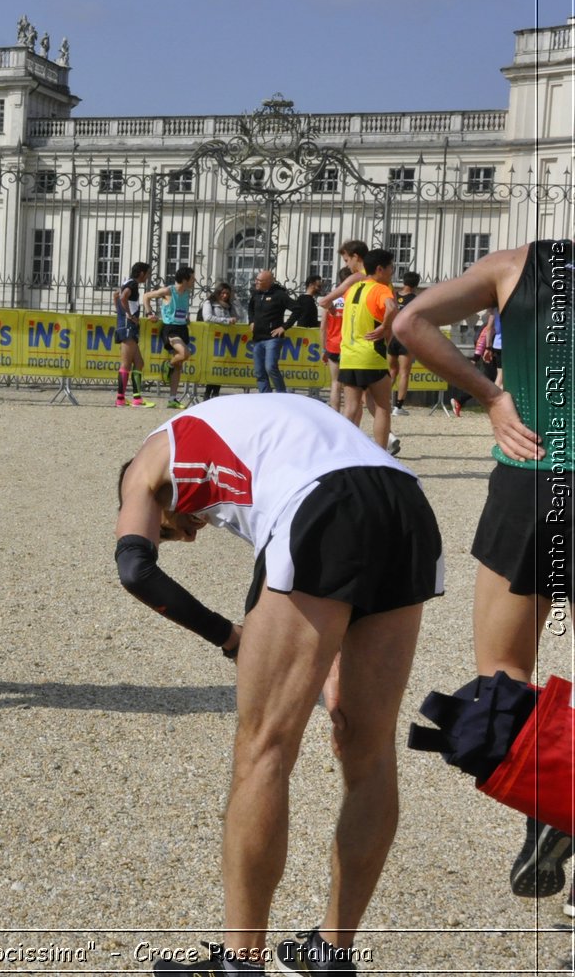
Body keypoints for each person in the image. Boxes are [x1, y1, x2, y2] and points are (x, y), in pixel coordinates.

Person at [115, 393, 442, 977]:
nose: (184, 538)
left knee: (263, 748)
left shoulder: (148, 463)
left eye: (168, 531)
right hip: (404, 501)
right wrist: (331, 659)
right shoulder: (236, 431)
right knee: (368, 746)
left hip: (322, 501)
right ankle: (332, 953)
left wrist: (228, 636)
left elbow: (134, 569)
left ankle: (240, 964)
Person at [392, 239, 575, 910]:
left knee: (502, 675)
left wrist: (492, 396)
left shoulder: (519, 263)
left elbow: (407, 322)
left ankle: (553, 805)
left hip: (527, 481)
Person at [337, 249, 400, 456]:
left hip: (348, 355)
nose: (392, 271)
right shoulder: (381, 289)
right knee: (382, 407)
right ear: (379, 269)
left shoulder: (353, 288)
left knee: (351, 409)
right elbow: (392, 307)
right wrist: (384, 327)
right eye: (390, 267)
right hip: (370, 354)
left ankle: (344, 452)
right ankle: (381, 456)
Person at [144, 266, 195, 409]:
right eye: (192, 278)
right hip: (170, 329)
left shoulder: (186, 292)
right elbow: (146, 296)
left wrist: (186, 316)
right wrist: (149, 314)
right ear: (185, 279)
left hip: (182, 328)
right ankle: (168, 364)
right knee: (184, 354)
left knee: (179, 365)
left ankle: (172, 398)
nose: (194, 280)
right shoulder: (168, 291)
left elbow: (180, 309)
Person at [114, 262, 153, 408]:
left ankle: (137, 398)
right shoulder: (133, 284)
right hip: (128, 326)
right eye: (148, 273)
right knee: (126, 363)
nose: (148, 277)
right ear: (142, 273)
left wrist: (119, 313)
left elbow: (116, 295)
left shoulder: (127, 281)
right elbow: (123, 297)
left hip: (125, 325)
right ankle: (120, 399)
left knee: (139, 362)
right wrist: (128, 315)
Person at [248, 269, 291, 394]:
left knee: (270, 367)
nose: (256, 282)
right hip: (258, 338)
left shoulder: (279, 295)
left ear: (268, 282)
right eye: (256, 279)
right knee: (259, 371)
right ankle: (265, 396)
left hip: (273, 338)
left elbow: (297, 309)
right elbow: (250, 308)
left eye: (259, 280)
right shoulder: (256, 294)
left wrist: (284, 327)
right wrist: (251, 321)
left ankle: (282, 393)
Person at [197, 282, 239, 401]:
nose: (225, 296)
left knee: (221, 367)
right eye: (223, 293)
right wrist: (226, 320)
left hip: (225, 340)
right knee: (212, 366)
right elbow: (208, 318)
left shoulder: (229, 305)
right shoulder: (209, 303)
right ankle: (207, 393)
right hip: (212, 339)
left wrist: (236, 302)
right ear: (218, 293)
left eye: (227, 293)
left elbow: (238, 316)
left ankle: (215, 393)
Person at [387, 271, 421, 415]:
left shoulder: (394, 296)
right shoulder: (415, 300)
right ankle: (398, 407)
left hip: (392, 336)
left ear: (403, 281)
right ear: (416, 284)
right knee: (404, 373)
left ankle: (382, 401)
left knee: (391, 371)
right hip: (406, 338)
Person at [323, 267, 353, 415]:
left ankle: (335, 413)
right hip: (349, 345)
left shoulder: (331, 299)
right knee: (349, 385)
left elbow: (323, 327)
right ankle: (348, 415)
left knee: (335, 382)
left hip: (332, 344)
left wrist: (324, 348)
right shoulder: (353, 298)